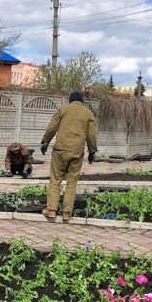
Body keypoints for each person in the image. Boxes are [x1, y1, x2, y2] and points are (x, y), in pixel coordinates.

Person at [40, 91, 98, 222]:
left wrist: (45, 141)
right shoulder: (88, 113)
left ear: (70, 101)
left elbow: (52, 127)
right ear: (81, 101)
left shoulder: (63, 109)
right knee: (72, 182)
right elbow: (92, 135)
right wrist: (92, 151)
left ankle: (51, 210)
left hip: (60, 150)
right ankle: (66, 213)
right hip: (77, 152)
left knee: (55, 180)